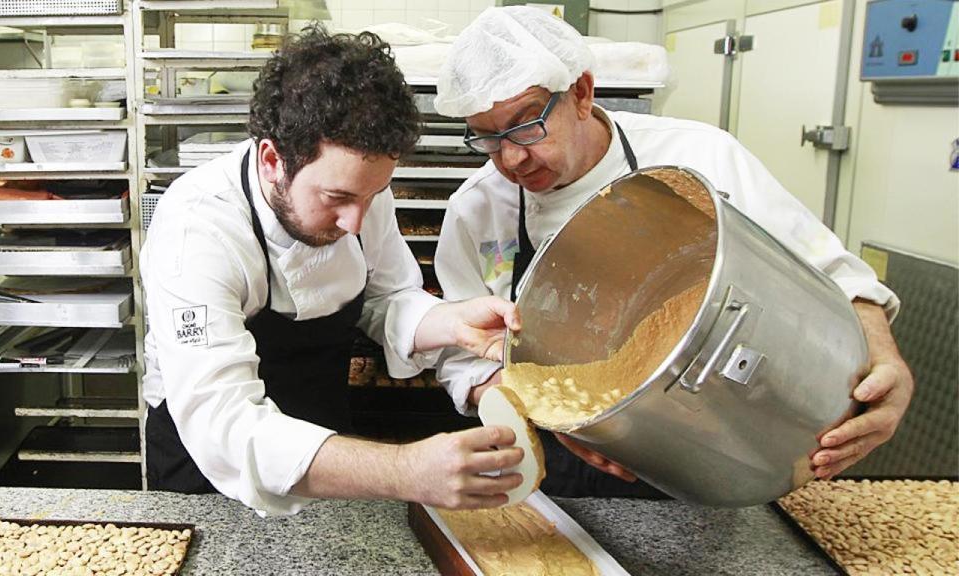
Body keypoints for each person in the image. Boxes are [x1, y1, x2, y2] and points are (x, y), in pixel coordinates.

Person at [432, 7, 914, 496]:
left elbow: (833, 274)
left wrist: (886, 360)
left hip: (713, 456)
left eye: (526, 126)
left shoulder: (701, 156)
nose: (512, 158)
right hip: (565, 473)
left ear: (581, 93)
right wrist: (549, 411)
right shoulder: (477, 210)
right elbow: (460, 357)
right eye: (488, 138)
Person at [140, 26, 527, 516]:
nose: (355, 222)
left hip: (325, 453)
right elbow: (225, 426)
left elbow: (386, 295)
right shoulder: (197, 229)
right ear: (272, 160)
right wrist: (404, 470)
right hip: (209, 468)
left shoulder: (359, 190)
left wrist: (449, 322)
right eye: (337, 198)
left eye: (372, 195)